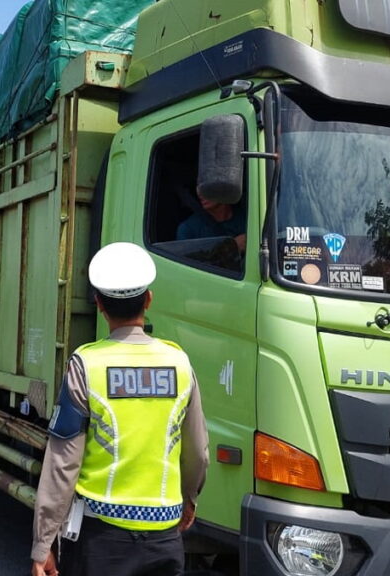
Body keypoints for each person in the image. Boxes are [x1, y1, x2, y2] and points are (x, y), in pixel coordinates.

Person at [30, 242, 209, 576]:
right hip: (164, 536)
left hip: (100, 541)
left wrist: (44, 543)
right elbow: (197, 453)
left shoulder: (87, 365)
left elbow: (62, 463)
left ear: (99, 305)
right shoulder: (179, 363)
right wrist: (190, 499)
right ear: (149, 300)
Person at [175, 185, 246, 253]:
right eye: (198, 186)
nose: (199, 192)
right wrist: (231, 248)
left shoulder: (248, 216)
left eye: (208, 185)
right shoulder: (188, 229)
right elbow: (186, 263)